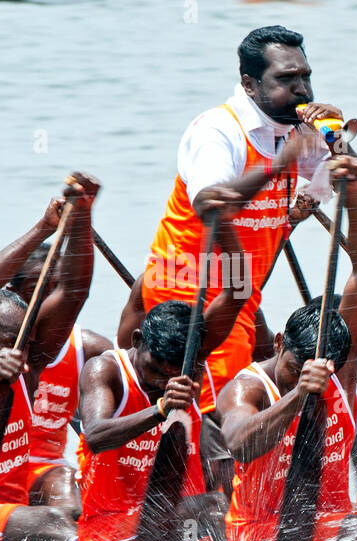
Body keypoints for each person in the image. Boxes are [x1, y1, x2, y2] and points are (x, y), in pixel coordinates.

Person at [118, 25, 341, 411]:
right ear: (250, 84)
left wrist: (338, 141)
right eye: (286, 79)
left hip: (240, 293)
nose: (304, 91)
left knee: (223, 419)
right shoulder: (218, 131)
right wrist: (280, 165)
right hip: (189, 292)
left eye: (306, 76)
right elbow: (212, 204)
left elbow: (355, 185)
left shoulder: (295, 129)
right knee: (208, 419)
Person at [215, 154, 357, 541]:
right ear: (277, 346)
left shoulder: (341, 375)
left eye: (320, 370)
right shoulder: (247, 388)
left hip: (336, 533)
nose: (307, 376)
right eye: (294, 368)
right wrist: (296, 396)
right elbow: (240, 445)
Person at [77, 197, 255, 541]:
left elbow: (239, 291)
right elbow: (95, 436)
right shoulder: (106, 370)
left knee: (232, 504)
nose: (163, 381)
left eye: (174, 374)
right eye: (156, 370)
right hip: (110, 528)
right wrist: (159, 409)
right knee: (214, 507)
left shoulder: (194, 356)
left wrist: (224, 225)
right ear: (137, 341)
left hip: (168, 523)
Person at [0, 173, 101, 541]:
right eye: (8, 341)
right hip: (10, 513)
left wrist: (80, 218)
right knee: (54, 525)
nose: (22, 346)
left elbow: (74, 293)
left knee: (65, 510)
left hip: (12, 504)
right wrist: (40, 229)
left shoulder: (27, 365)